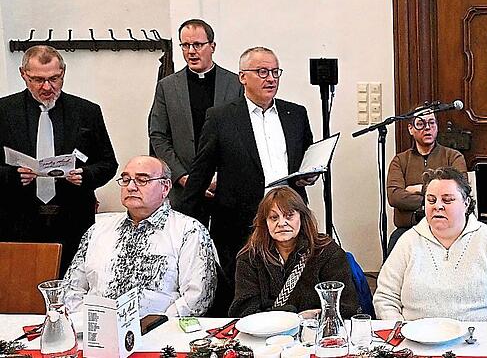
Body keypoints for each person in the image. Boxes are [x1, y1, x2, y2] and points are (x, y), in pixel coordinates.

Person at [183, 46, 316, 286]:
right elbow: (201, 171)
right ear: (243, 77)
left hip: (289, 216)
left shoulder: (295, 114)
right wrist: (184, 221)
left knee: (293, 283)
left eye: (275, 72)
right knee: (245, 288)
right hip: (239, 221)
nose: (271, 79)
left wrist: (308, 175)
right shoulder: (221, 117)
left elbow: (305, 158)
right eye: (262, 72)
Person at [0, 45, 118, 275]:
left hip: (72, 218)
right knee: (20, 284)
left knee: (74, 283)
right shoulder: (4, 111)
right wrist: (11, 176)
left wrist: (86, 175)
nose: (47, 87)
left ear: (63, 72)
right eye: (38, 80)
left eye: (54, 79)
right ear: (23, 74)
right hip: (17, 219)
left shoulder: (86, 111)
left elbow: (108, 163)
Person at [63, 156, 218, 316]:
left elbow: (197, 299)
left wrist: (155, 325)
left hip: (161, 328)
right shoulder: (98, 230)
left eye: (142, 180)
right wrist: (86, 322)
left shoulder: (189, 231)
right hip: (95, 326)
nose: (131, 187)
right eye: (125, 180)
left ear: (165, 187)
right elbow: (71, 288)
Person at [374, 167, 487, 323]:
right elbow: (385, 298)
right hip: (415, 336)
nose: (438, 206)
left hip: (480, 336)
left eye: (447, 200)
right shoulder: (408, 242)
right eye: (431, 200)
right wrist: (401, 330)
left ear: (466, 203)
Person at [148, 19, 243, 216]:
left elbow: (243, 135)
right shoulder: (167, 87)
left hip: (227, 187)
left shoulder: (235, 84)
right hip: (183, 189)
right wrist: (183, 176)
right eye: (185, 45)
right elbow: (158, 135)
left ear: (212, 46)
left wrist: (220, 176)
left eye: (198, 45)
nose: (191, 51)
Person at [229, 187, 360, 317]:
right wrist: (290, 315)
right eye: (274, 217)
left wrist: (317, 315)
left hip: (316, 327)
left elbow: (346, 306)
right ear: (265, 222)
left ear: (302, 217)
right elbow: (243, 311)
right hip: (267, 329)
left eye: (289, 216)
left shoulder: (327, 252)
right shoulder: (250, 257)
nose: (281, 223)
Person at [385, 109, 467, 255]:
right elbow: (395, 197)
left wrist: (420, 189)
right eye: (421, 124)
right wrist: (438, 199)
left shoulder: (453, 157)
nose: (427, 128)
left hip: (447, 230)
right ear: (411, 129)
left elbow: (460, 192)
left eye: (431, 123)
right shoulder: (400, 161)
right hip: (409, 229)